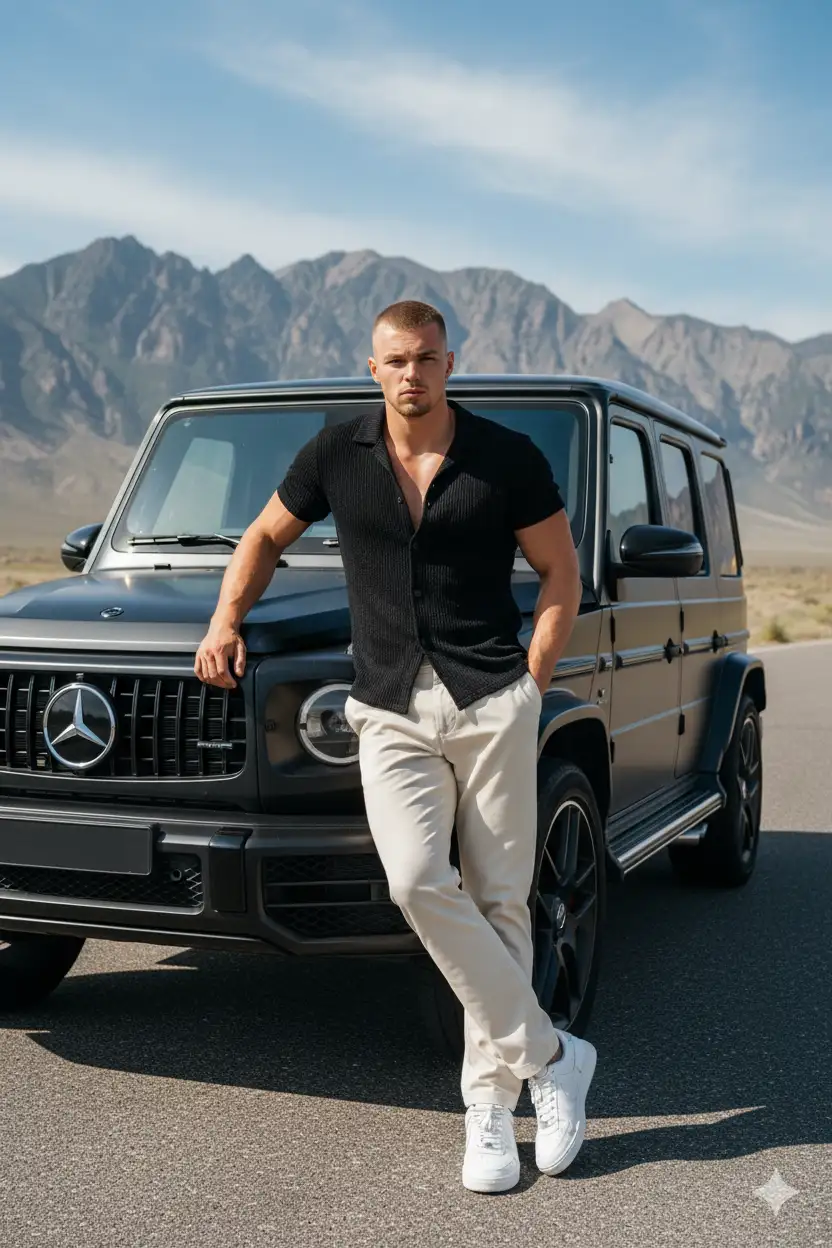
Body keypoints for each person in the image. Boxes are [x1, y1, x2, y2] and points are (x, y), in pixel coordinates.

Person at [194, 300, 596, 1194]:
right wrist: (226, 618)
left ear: (450, 363)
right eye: (394, 361)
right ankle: (553, 1054)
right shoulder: (336, 455)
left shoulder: (508, 458)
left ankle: (488, 1110)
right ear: (371, 368)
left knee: (500, 901)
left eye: (426, 358)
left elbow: (561, 572)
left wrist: (532, 678)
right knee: (417, 880)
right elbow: (263, 535)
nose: (411, 374)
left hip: (492, 699)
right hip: (388, 709)